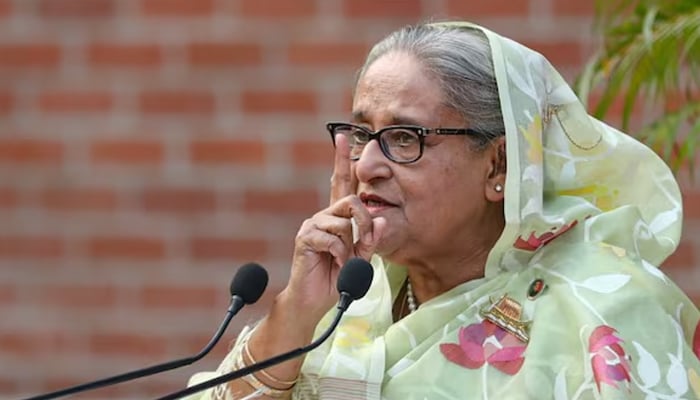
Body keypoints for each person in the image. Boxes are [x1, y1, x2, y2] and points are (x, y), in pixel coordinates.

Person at [186, 21, 700, 399]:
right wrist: (295, 311)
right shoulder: (347, 300)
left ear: (499, 164)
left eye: (404, 138)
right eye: (362, 135)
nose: (366, 165)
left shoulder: (607, 312)